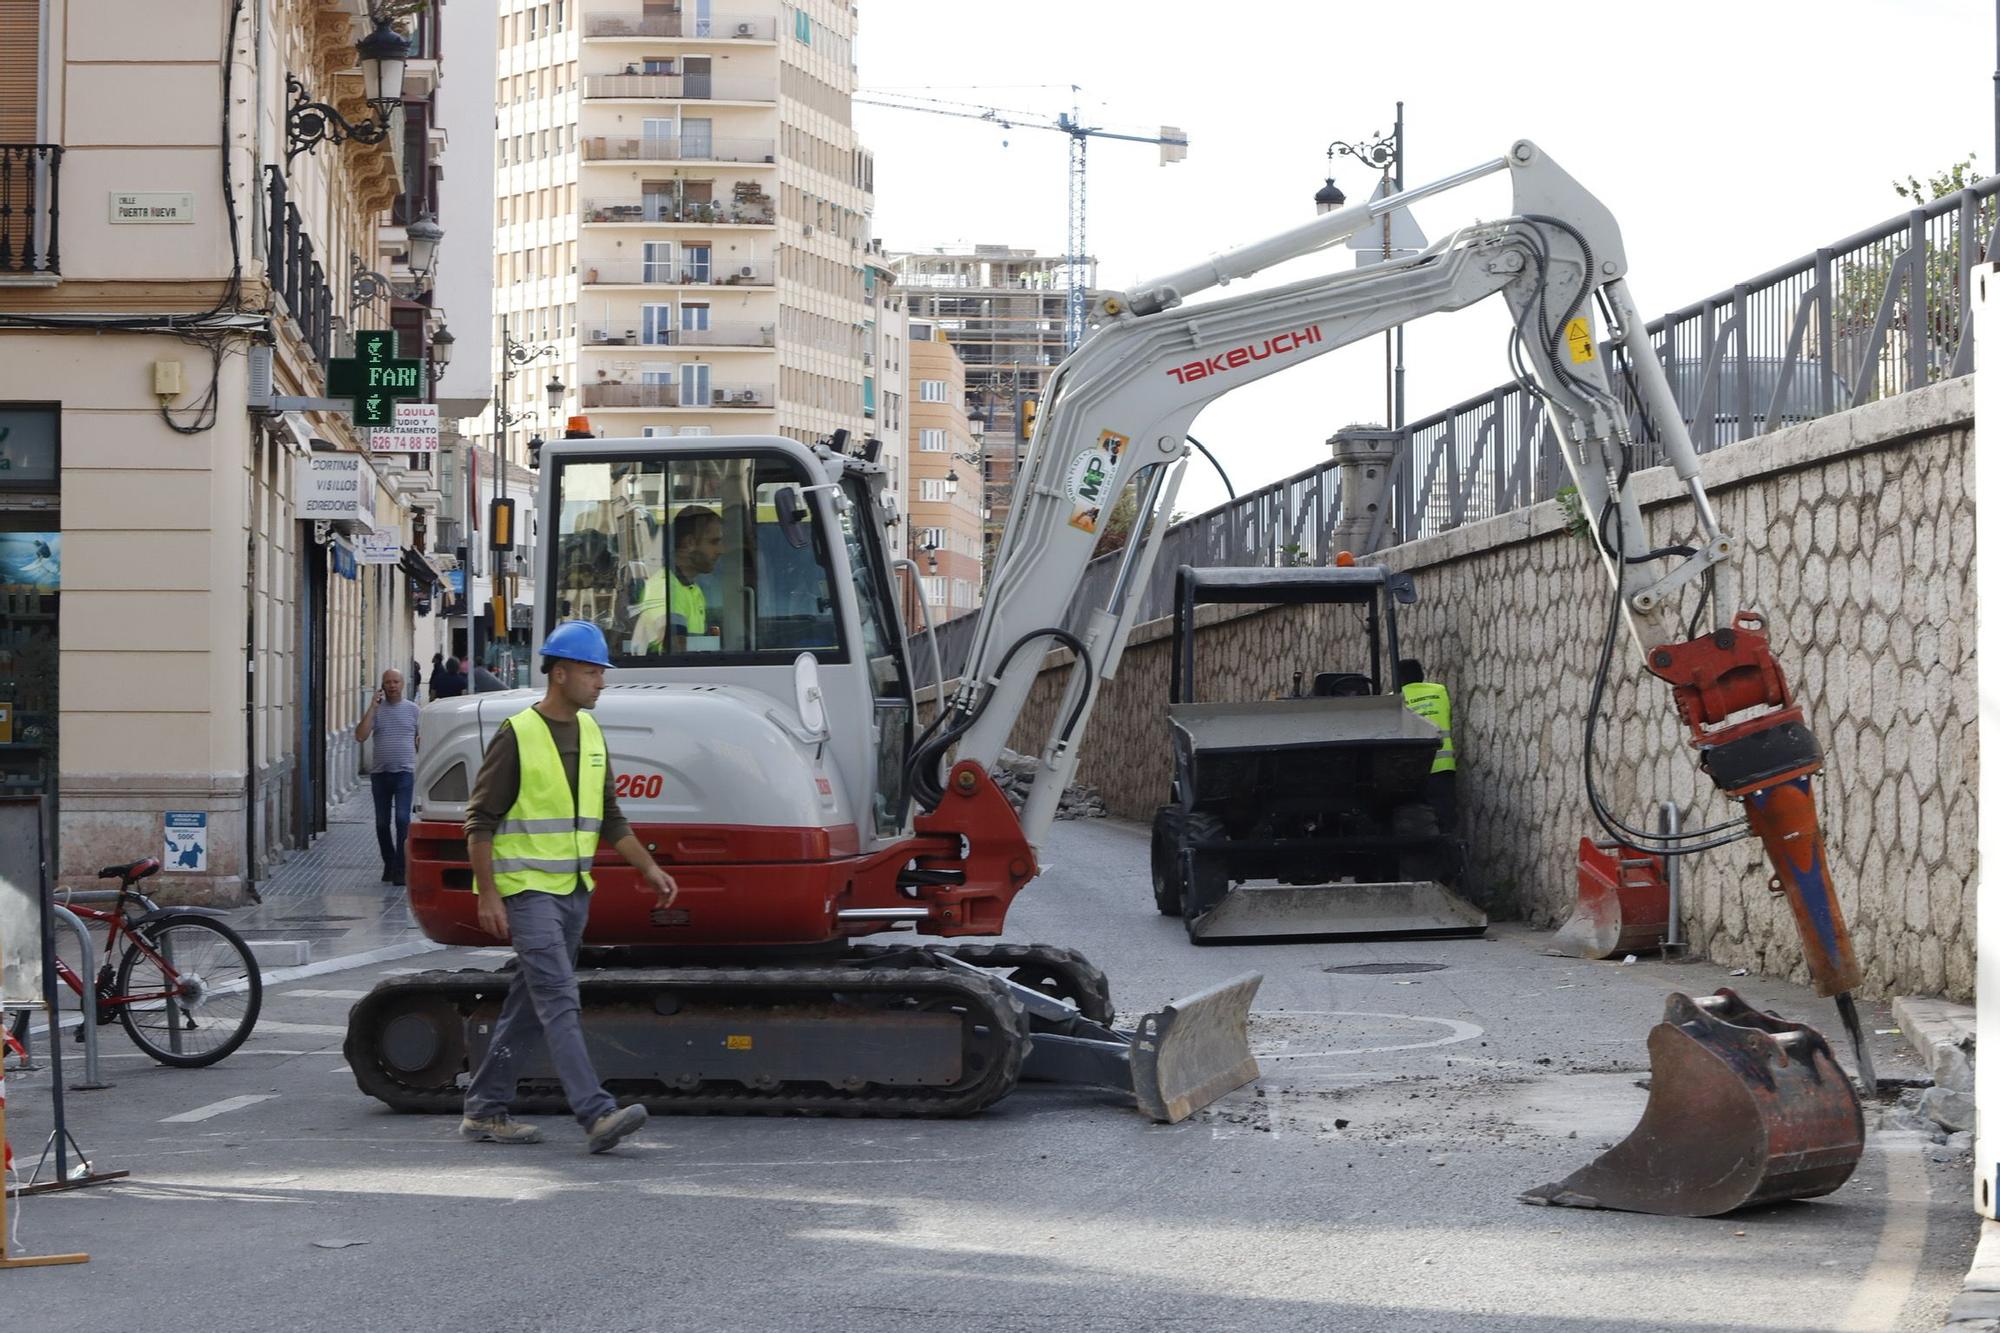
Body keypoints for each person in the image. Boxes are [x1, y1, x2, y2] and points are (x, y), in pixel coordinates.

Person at [458, 620, 677, 1154]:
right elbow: (478, 822)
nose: (601, 682)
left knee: (531, 1004)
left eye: (601, 672)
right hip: (528, 892)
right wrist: (488, 895)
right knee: (558, 996)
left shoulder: (592, 732)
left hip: (573, 892)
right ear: (559, 674)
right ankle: (596, 1113)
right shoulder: (518, 735)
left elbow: (610, 817)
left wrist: (647, 868)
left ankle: (485, 1109)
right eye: (591, 671)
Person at [355, 668, 421, 885]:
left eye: (396, 681)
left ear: (403, 684)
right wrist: (372, 708)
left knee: (402, 820)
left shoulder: (413, 710)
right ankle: (389, 862)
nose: (392, 686)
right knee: (382, 824)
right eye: (388, 682)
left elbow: (422, 739)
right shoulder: (377, 711)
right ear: (382, 686)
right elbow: (360, 736)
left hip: (405, 773)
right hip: (380, 775)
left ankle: (401, 869)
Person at [635, 505, 724, 653]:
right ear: (689, 543)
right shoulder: (665, 589)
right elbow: (677, 651)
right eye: (714, 542)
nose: (721, 550)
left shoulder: (692, 589)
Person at [1397, 658, 1457, 833]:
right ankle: (1450, 856)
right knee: (1446, 817)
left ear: (1398, 678)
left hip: (1413, 771)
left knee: (1415, 822)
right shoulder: (1439, 691)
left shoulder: (1395, 699)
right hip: (1443, 767)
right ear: (1421, 675)